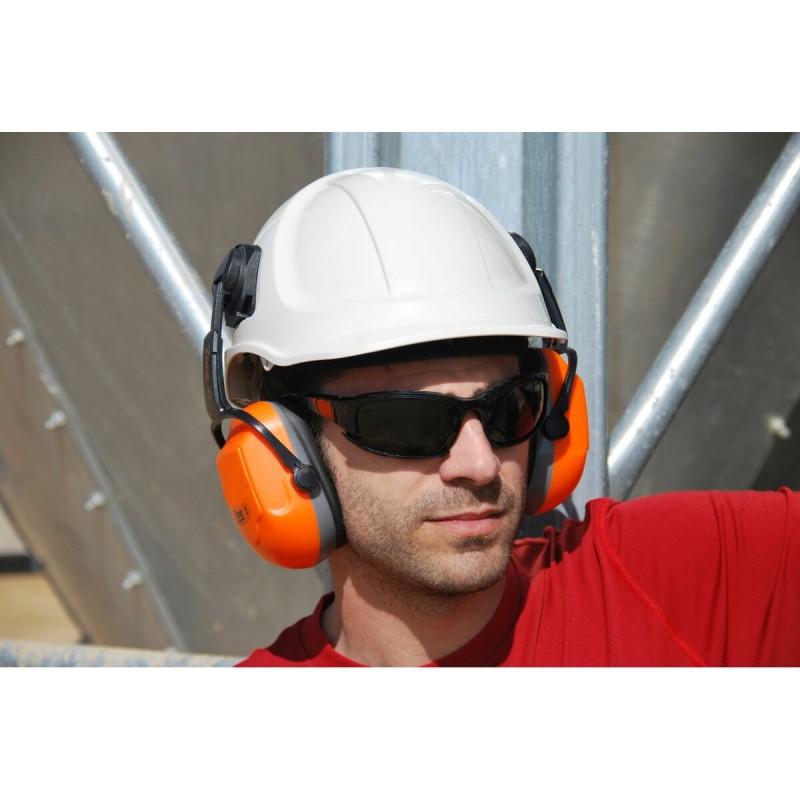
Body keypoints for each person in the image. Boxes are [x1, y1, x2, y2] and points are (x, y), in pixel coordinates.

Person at [203, 167, 800, 667]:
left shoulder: (679, 578)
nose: (481, 463)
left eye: (508, 408)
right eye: (409, 423)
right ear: (288, 448)